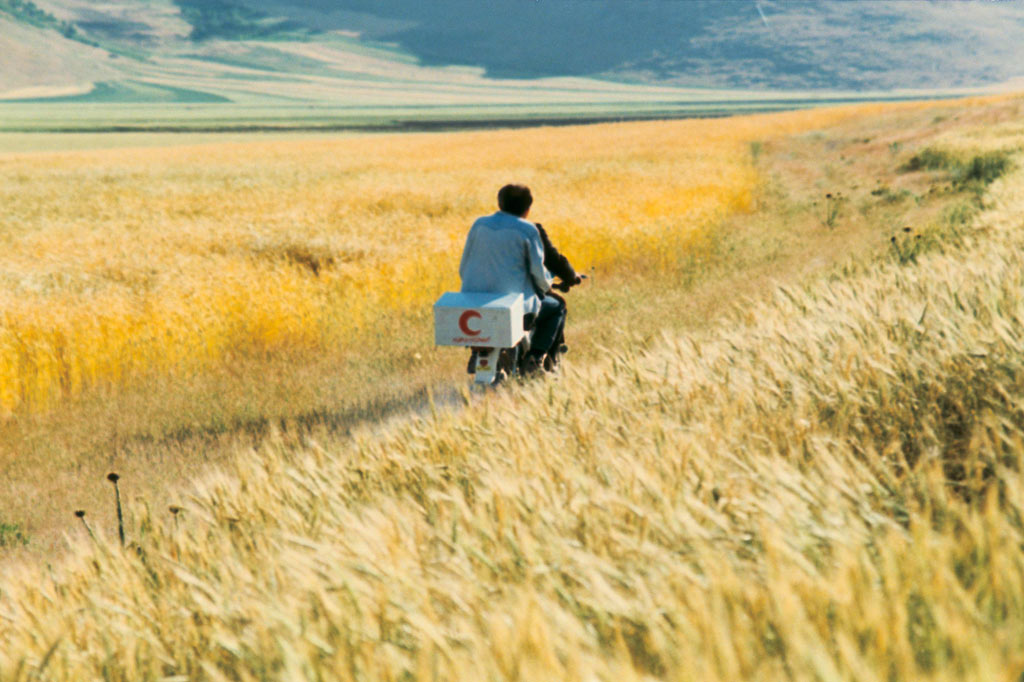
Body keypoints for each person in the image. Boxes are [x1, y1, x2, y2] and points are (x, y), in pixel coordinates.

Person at [459, 184, 579, 372]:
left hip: (473, 304)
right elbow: (538, 273)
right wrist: (547, 287)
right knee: (557, 307)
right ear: (528, 208)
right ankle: (535, 358)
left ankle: (477, 353)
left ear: (499, 203)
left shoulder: (479, 224)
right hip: (514, 307)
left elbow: (463, 268)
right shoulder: (527, 230)